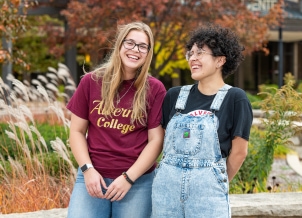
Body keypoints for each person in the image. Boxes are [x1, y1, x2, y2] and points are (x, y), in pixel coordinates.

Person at [152, 23, 253, 218]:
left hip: (208, 195)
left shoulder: (235, 98)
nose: (193, 58)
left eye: (200, 53)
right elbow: (158, 142)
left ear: (220, 60)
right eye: (190, 53)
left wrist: (213, 182)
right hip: (166, 191)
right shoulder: (174, 96)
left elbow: (239, 152)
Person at [66, 21, 166, 218]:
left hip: (138, 181)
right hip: (93, 177)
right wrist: (87, 170)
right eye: (130, 43)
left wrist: (128, 178)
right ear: (119, 45)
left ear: (148, 53)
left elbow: (156, 141)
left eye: (142, 46)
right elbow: (76, 131)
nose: (135, 50)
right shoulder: (91, 82)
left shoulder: (155, 89)